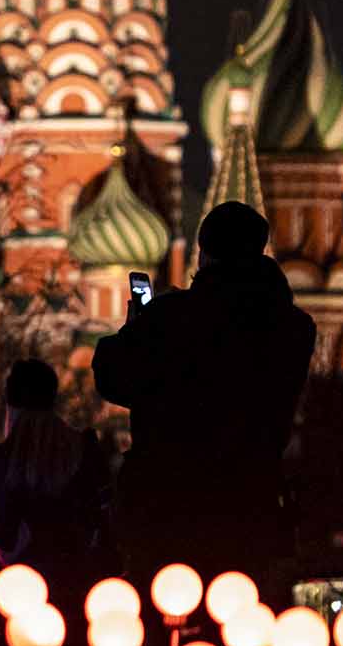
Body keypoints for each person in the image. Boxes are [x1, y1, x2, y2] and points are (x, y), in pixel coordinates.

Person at [92, 201, 315, 604]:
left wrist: (137, 328)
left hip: (167, 507)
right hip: (250, 505)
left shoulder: (170, 318)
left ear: (204, 255)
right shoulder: (292, 328)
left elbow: (114, 378)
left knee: (164, 617)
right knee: (242, 618)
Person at [0, 358, 109, 646]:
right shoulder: (83, 448)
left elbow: (3, 535)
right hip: (78, 587)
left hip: (23, 593)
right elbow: (100, 519)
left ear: (11, 404)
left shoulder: (5, 459)